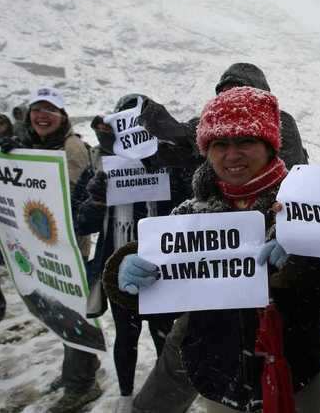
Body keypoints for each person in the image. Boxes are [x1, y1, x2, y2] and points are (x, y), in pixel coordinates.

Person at [104, 86, 320, 412]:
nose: (232, 155)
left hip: (297, 376)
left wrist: (305, 263)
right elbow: (165, 299)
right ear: (206, 151)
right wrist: (125, 272)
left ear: (269, 146)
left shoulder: (305, 207)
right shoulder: (190, 214)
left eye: (245, 141)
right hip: (220, 382)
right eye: (219, 144)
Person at [71, 95, 190, 413]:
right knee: (127, 335)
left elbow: (188, 209)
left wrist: (164, 169)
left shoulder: (170, 162)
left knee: (165, 336)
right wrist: (97, 197)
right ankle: (125, 397)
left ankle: (170, 399)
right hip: (116, 267)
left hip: (162, 266)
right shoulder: (103, 166)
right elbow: (81, 222)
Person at [14, 87, 102, 412]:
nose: (42, 115)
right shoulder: (38, 144)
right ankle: (81, 368)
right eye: (37, 109)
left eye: (50, 110)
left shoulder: (71, 147)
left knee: (69, 312)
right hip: (44, 243)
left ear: (62, 116)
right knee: (62, 310)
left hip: (67, 247)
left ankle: (83, 384)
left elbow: (73, 200)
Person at [138, 62, 308, 172]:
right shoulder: (217, 125)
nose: (229, 98)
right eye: (223, 94)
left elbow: (187, 133)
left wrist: (169, 126)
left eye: (237, 91)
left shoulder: (281, 121)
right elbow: (189, 148)